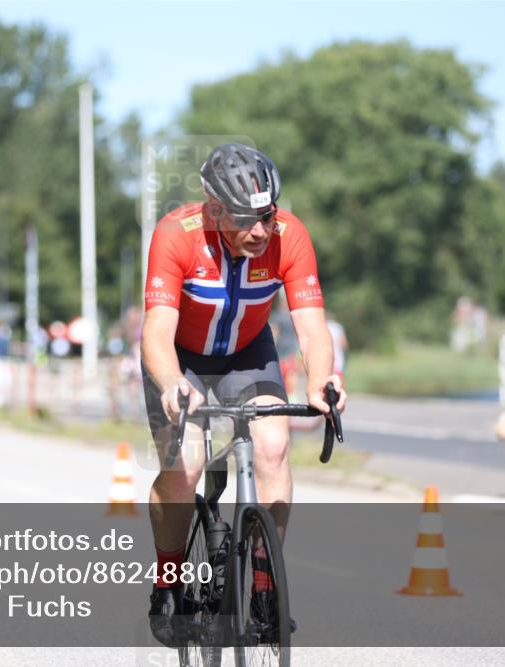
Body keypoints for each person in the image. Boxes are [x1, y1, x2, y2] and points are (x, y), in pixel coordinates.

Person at [141, 143, 346, 645]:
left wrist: (322, 379)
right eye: (243, 218)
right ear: (212, 208)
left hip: (248, 353)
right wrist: (171, 384)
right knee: (184, 465)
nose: (259, 231)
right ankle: (169, 582)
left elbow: (313, 328)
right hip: (181, 359)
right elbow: (155, 332)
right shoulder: (175, 235)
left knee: (274, 447)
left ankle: (262, 586)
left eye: (267, 216)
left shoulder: (289, 236)